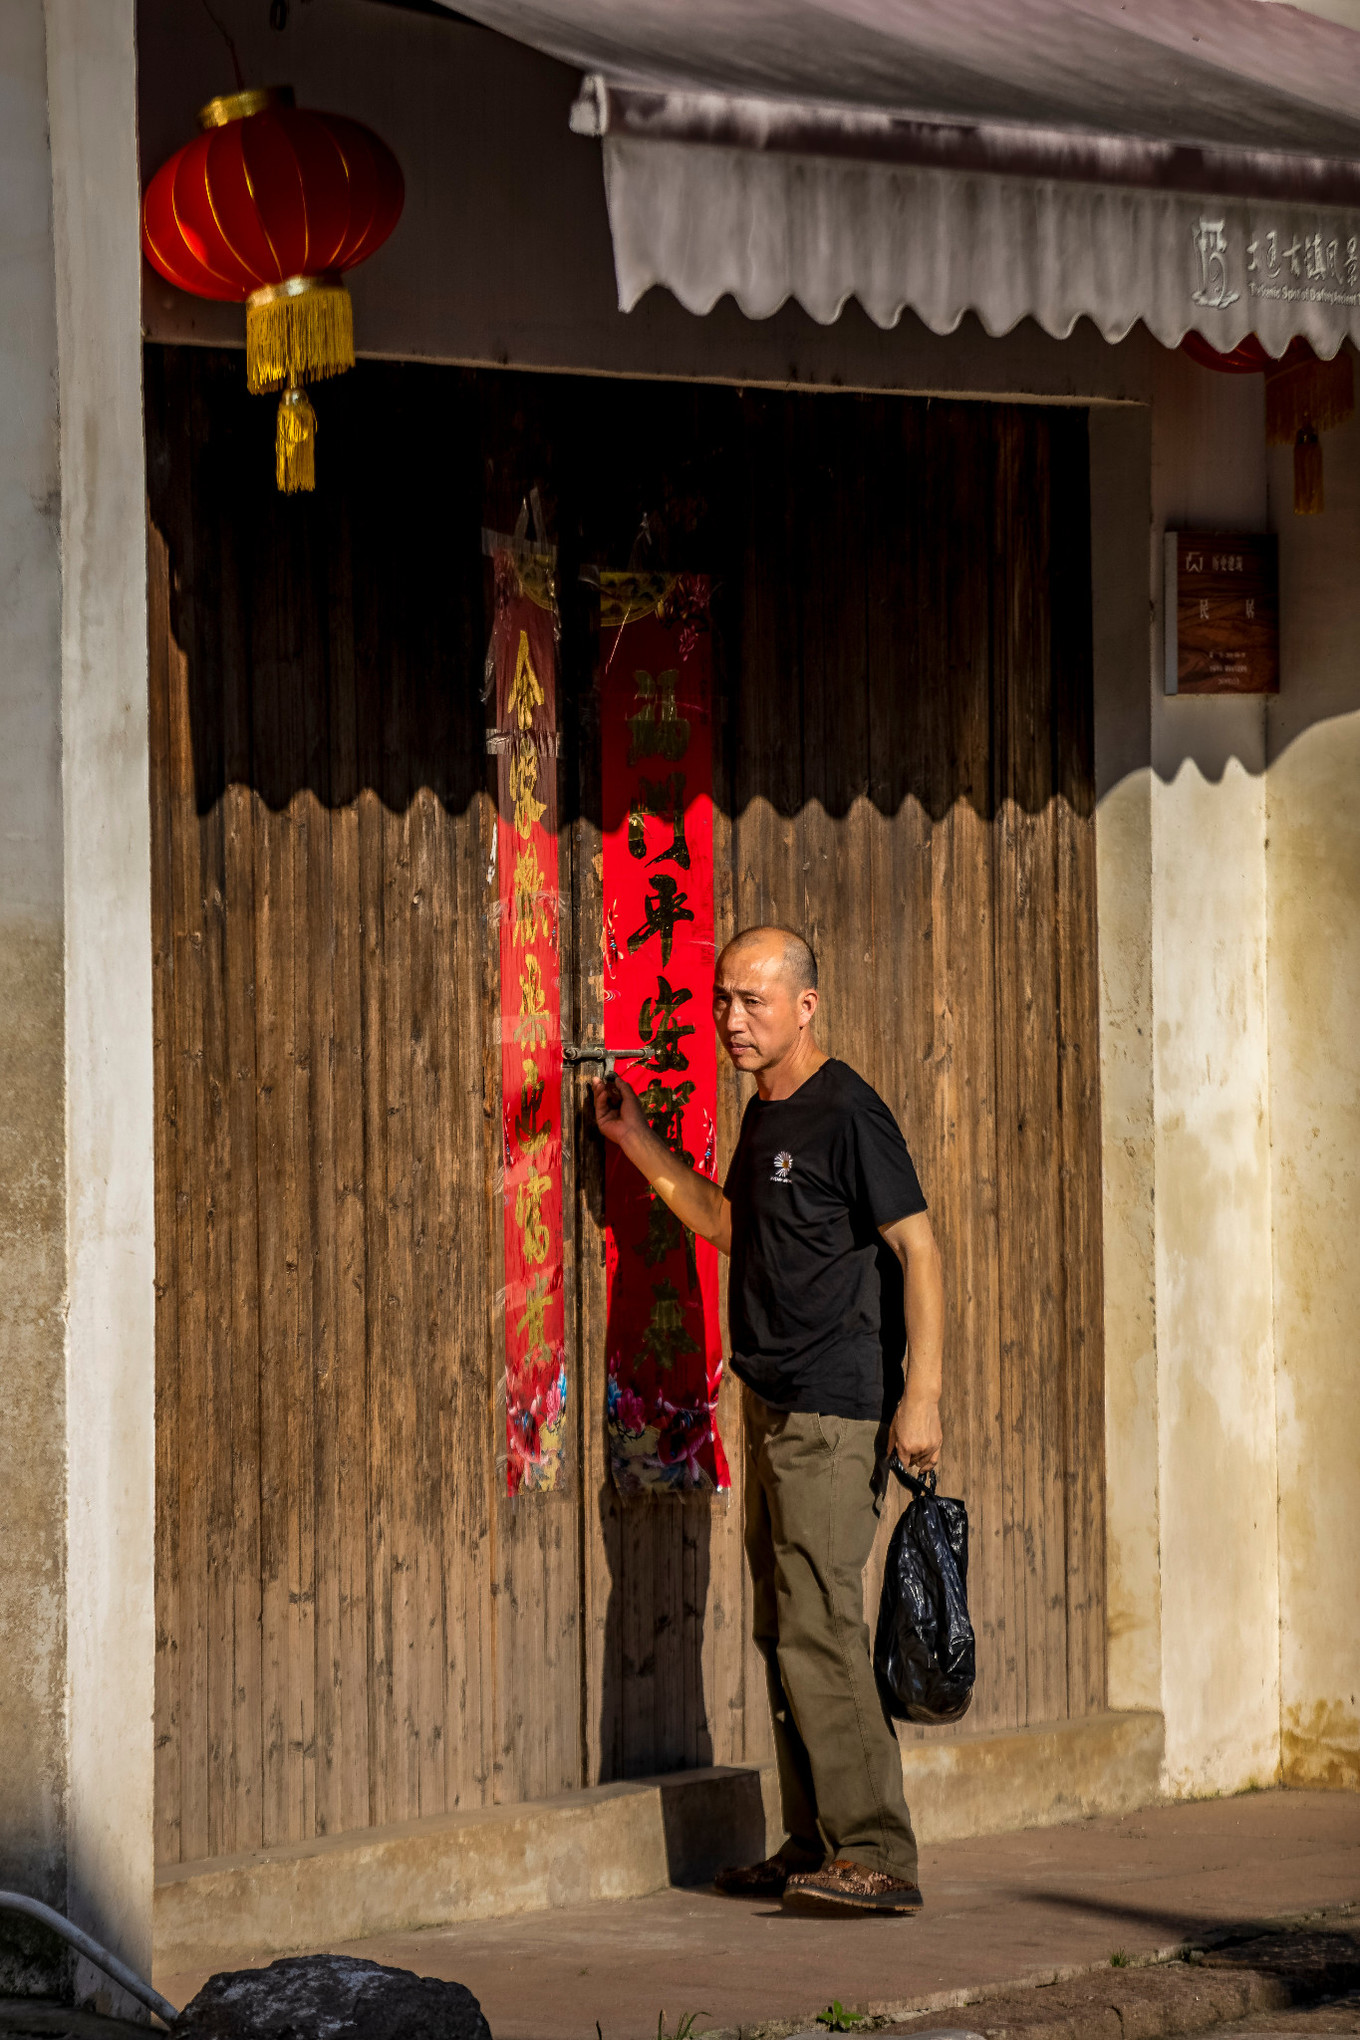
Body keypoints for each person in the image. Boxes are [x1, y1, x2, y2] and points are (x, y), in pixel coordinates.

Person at [592, 924, 945, 1918]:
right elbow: (724, 1224)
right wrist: (633, 1139)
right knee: (781, 1626)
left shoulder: (846, 1112)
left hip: (836, 1407)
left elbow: (919, 1248)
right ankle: (813, 1842)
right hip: (773, 1400)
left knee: (821, 1623)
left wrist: (920, 1394)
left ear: (805, 1005)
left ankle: (877, 1852)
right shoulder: (768, 1114)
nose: (732, 1018)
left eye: (754, 1000)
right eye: (723, 999)